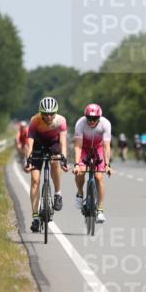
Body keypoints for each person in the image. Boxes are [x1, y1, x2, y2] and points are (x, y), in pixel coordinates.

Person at [23, 97, 69, 232]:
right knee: (35, 180)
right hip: (38, 145)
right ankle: (36, 217)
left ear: (56, 112)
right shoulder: (34, 121)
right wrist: (28, 160)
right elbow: (29, 144)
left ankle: (58, 193)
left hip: (53, 144)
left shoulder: (61, 121)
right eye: (45, 114)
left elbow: (63, 143)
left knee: (55, 162)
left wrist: (64, 158)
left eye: (51, 114)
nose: (48, 117)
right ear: (40, 113)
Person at [72, 103, 113, 223]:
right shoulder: (80, 123)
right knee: (80, 173)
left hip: (98, 148)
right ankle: (80, 193)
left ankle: (100, 210)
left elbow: (106, 146)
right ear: (85, 117)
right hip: (84, 148)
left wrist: (107, 165)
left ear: (99, 118)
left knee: (99, 177)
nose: (91, 121)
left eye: (94, 119)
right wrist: (76, 164)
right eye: (89, 118)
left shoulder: (106, 124)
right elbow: (78, 146)